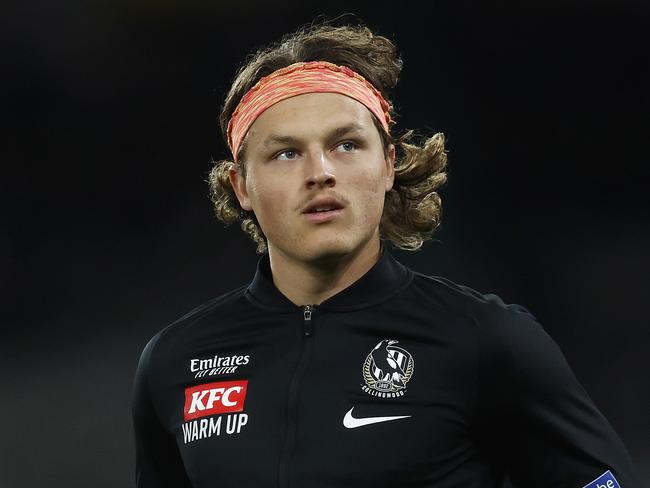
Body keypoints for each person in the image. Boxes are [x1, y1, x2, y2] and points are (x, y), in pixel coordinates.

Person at [131, 18, 641, 488]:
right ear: (241, 186)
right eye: (286, 153)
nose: (320, 172)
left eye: (347, 144)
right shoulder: (175, 362)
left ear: (390, 162)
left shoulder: (486, 340)